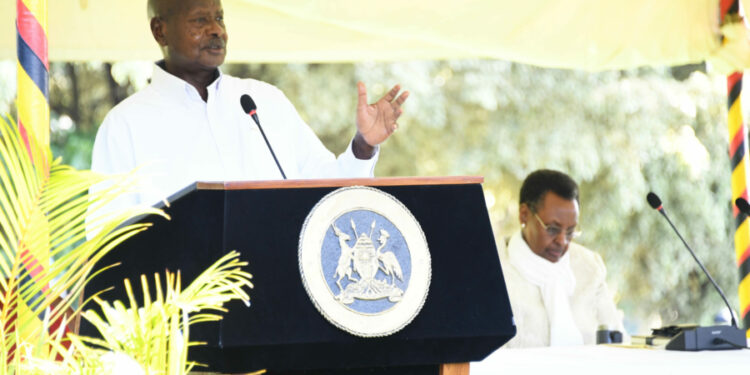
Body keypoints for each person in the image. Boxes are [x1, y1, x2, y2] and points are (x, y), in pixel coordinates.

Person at [91, 0, 409, 210]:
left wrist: (363, 145)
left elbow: (326, 189)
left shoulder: (263, 100)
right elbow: (109, 239)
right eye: (200, 20)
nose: (217, 30)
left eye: (219, 18)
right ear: (160, 31)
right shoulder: (126, 123)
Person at [499, 169, 624, 348]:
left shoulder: (589, 268)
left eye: (571, 231)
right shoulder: (493, 270)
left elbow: (618, 340)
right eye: (552, 228)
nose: (562, 241)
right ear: (524, 214)